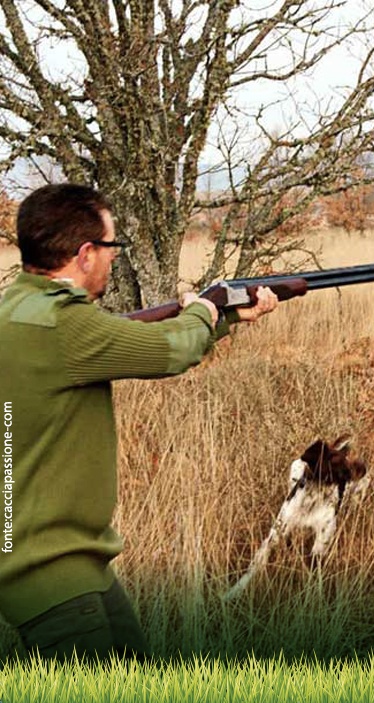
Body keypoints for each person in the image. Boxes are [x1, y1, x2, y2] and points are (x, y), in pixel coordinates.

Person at [0, 183, 278, 659]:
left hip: (54, 560)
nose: (113, 258)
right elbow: (172, 351)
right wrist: (206, 309)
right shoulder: (64, 324)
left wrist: (223, 319)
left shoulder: (17, 308)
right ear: (86, 254)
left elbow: (125, 339)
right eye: (111, 247)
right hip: (52, 570)